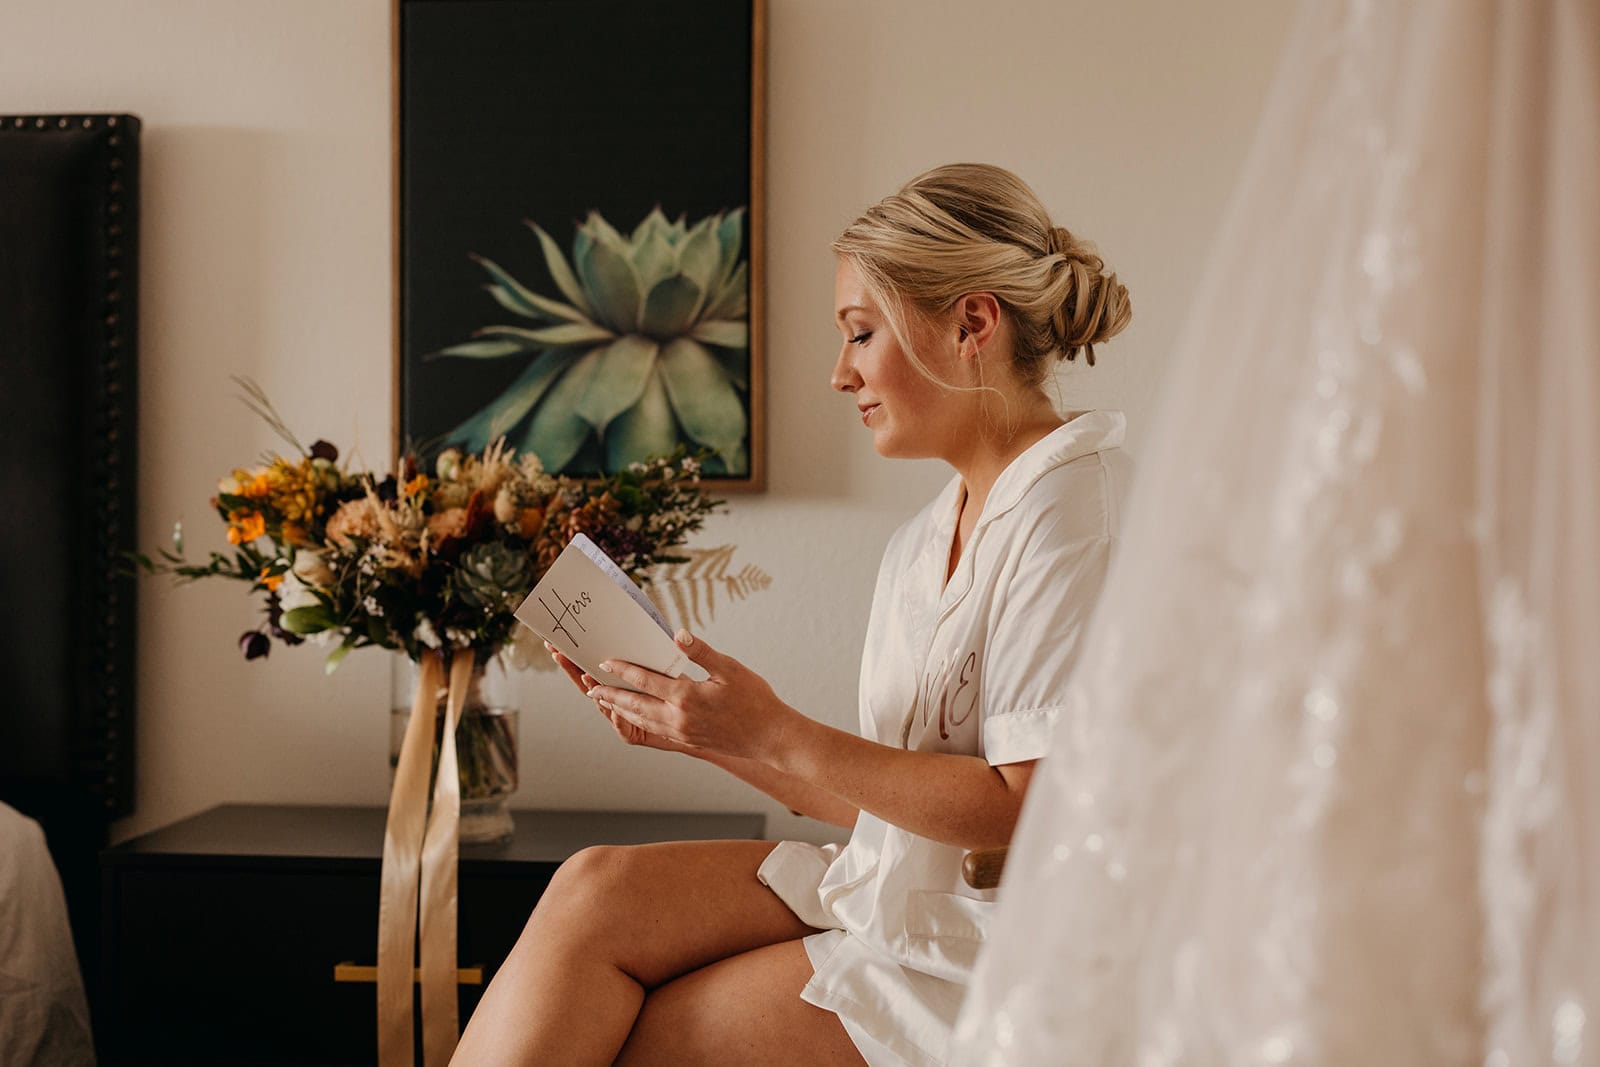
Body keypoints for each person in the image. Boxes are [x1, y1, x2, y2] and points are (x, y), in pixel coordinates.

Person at [452, 162, 1133, 1066]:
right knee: (595, 887)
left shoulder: (1070, 514)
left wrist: (775, 729)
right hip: (904, 887)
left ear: (973, 321)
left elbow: (1025, 807)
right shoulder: (925, 541)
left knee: (644, 1036)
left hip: (1006, 947)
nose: (839, 372)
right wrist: (709, 729)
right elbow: (882, 804)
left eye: (860, 333)